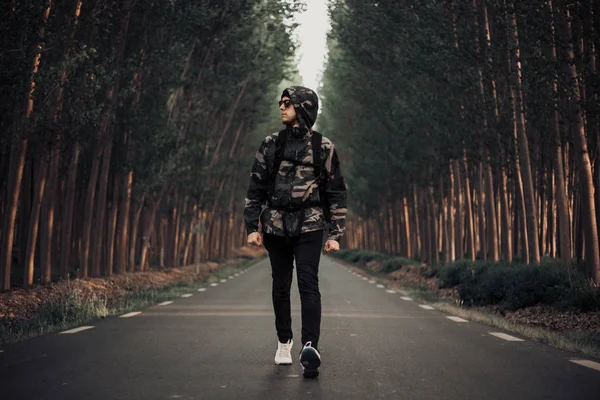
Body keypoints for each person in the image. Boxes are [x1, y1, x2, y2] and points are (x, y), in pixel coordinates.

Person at [243, 86, 347, 378]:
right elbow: (256, 188)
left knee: (308, 283)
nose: (281, 107)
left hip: (311, 224)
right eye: (281, 102)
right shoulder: (270, 144)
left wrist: (336, 233)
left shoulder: (323, 147)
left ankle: (310, 346)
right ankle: (284, 340)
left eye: (287, 103)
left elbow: (335, 193)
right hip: (275, 225)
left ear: (302, 108)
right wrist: (252, 227)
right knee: (280, 285)